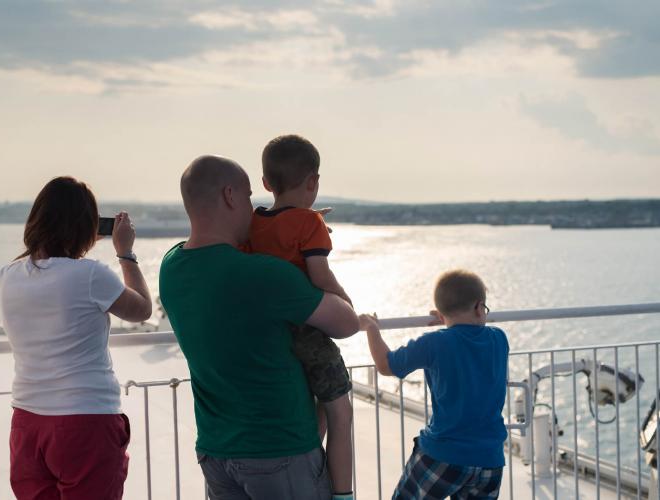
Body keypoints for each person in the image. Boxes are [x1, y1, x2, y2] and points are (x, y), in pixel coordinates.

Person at [158, 155, 359, 500]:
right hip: (279, 450)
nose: (254, 208)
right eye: (249, 196)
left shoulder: (171, 266)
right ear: (230, 196)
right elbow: (347, 323)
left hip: (216, 452)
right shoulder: (264, 274)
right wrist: (314, 254)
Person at [0, 176, 152, 500]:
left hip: (27, 422)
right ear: (85, 228)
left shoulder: (7, 276)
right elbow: (142, 310)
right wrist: (125, 254)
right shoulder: (90, 275)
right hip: (85, 420)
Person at [248, 134, 354, 500]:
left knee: (312, 405)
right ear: (314, 182)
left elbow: (279, 237)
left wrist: (309, 221)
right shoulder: (310, 225)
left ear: (265, 184)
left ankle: (309, 466)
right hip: (306, 328)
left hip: (271, 330)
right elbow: (319, 275)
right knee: (340, 410)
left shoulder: (252, 222)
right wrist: (344, 301)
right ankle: (342, 493)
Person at [360, 270, 509, 500]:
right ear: (480, 308)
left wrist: (371, 328)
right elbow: (467, 340)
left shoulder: (434, 343)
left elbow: (386, 365)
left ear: (441, 313)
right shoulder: (499, 339)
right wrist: (451, 322)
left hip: (444, 455)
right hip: (490, 461)